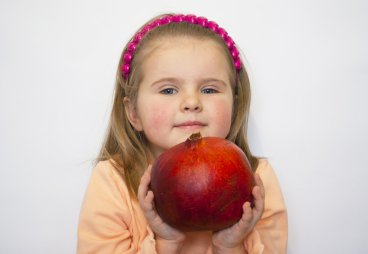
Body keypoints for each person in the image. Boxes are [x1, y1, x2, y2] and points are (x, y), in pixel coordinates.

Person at [77, 13, 288, 254]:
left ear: (235, 105)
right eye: (168, 90)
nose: (191, 102)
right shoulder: (113, 181)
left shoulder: (257, 180)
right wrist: (165, 243)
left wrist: (230, 245)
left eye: (209, 89)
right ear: (133, 113)